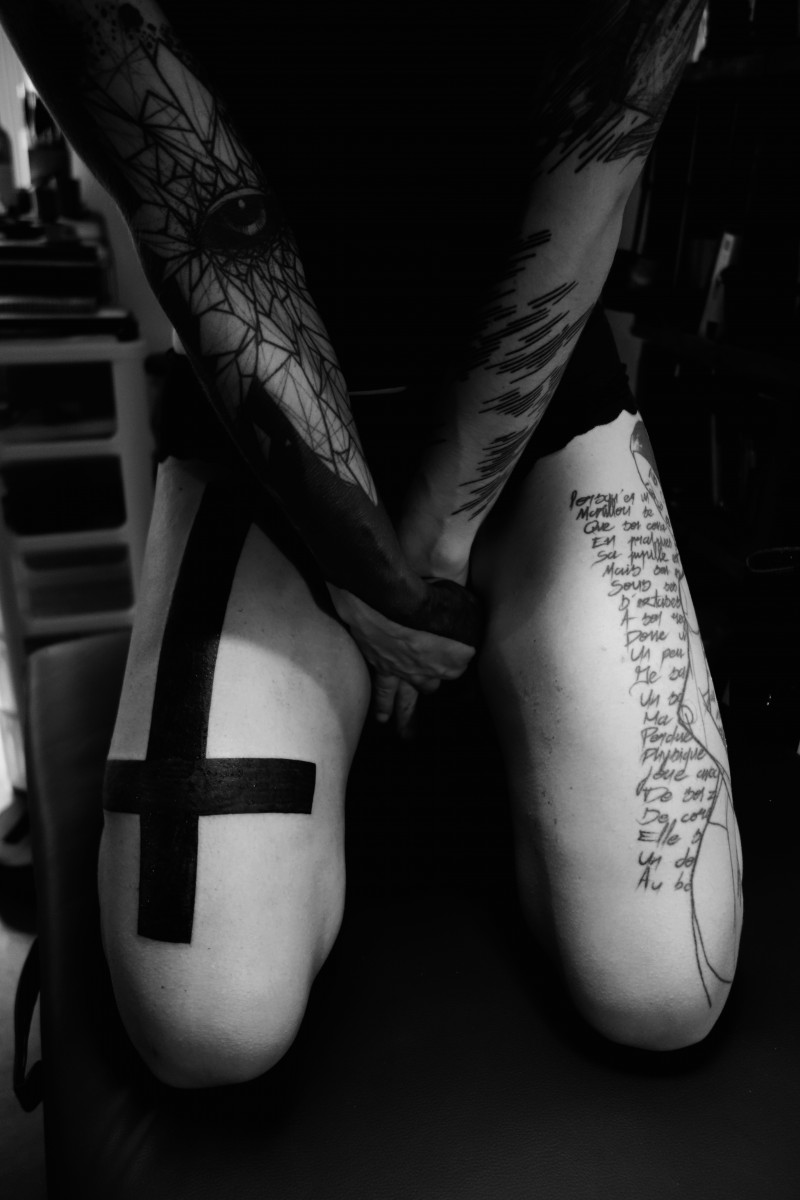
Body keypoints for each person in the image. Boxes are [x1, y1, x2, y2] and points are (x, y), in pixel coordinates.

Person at [0, 0, 743, 1086]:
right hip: (262, 430)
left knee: (664, 989)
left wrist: (429, 562)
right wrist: (366, 581)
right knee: (206, 1019)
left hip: (528, 408)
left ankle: (495, 713)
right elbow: (207, 223)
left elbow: (588, 192)